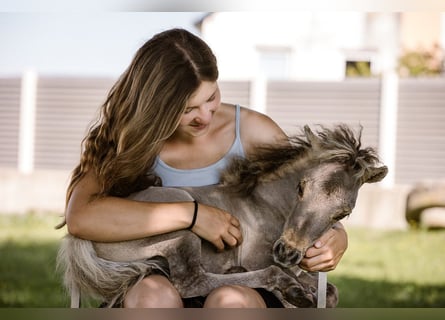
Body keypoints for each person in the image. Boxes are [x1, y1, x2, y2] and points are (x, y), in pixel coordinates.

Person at [62, 28, 348, 308]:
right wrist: (192, 214)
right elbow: (81, 217)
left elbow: (308, 200)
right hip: (159, 271)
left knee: (229, 303)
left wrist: (338, 239)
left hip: (246, 278)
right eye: (187, 110)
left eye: (211, 98)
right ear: (156, 108)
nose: (204, 116)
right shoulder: (131, 140)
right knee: (152, 297)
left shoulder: (252, 132)